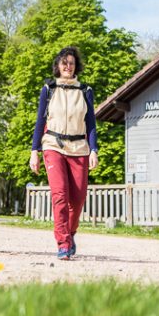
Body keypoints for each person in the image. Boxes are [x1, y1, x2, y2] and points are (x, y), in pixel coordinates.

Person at [30, 46, 98, 260]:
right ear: (58, 66)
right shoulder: (48, 89)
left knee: (77, 200)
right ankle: (63, 243)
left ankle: (70, 233)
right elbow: (40, 120)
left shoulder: (85, 91)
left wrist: (94, 149)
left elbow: (91, 124)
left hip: (79, 148)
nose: (68, 66)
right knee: (60, 195)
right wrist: (35, 151)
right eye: (64, 63)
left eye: (71, 62)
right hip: (53, 144)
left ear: (76, 66)